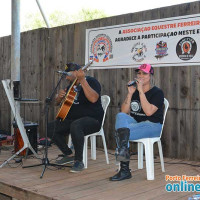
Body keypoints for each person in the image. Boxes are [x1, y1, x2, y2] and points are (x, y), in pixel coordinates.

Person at [110, 63, 164, 181]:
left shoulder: (157, 92)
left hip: (153, 125)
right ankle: (125, 170)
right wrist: (130, 94)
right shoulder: (134, 91)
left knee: (121, 133)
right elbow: (124, 112)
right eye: (139, 73)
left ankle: (124, 169)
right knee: (120, 116)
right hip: (136, 124)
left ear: (150, 76)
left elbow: (149, 112)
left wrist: (140, 92)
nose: (140, 75)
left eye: (144, 73)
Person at [48, 63, 104, 173]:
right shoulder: (71, 86)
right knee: (50, 127)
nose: (66, 77)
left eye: (68, 73)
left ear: (78, 72)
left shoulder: (91, 81)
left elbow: (93, 99)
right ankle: (69, 154)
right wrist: (59, 98)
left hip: (93, 120)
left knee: (76, 125)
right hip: (73, 120)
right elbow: (60, 105)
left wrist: (82, 80)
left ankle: (79, 161)